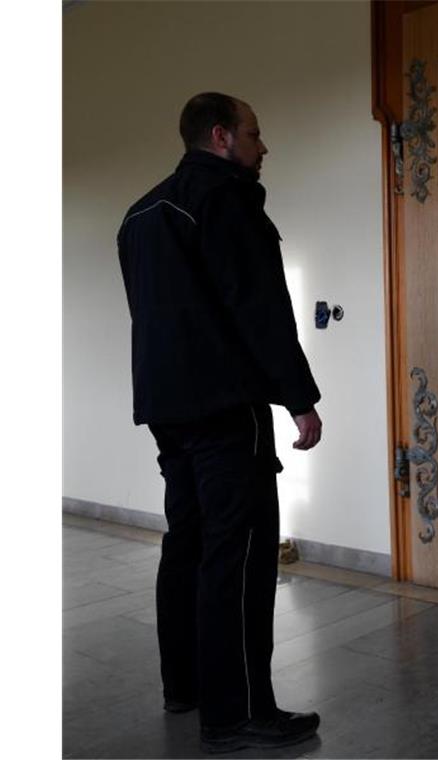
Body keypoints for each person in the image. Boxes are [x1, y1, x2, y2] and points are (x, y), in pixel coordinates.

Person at [117, 92, 323, 752]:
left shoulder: (140, 213)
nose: (264, 147)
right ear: (220, 137)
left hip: (165, 405)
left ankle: (186, 687)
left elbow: (148, 313)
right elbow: (259, 307)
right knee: (239, 554)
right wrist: (298, 396)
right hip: (226, 404)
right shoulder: (227, 199)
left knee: (189, 541)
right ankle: (237, 713)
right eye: (254, 134)